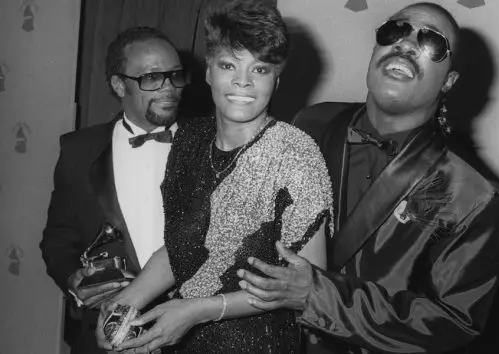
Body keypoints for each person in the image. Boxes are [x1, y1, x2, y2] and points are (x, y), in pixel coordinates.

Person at [237, 3, 499, 354]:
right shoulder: (310, 123)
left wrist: (318, 296)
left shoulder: (478, 197)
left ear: (449, 80)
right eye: (394, 31)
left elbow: (452, 322)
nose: (406, 44)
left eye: (432, 42)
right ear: (375, 50)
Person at [95, 1, 332, 353]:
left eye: (260, 69)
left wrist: (199, 311)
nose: (242, 81)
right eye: (228, 65)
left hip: (259, 343)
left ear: (276, 80)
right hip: (181, 339)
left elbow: (306, 285)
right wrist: (122, 304)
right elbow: (180, 251)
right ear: (208, 72)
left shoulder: (296, 153)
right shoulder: (189, 141)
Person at [40, 26, 190, 354]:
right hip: (106, 337)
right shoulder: (78, 150)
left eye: (174, 75)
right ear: (119, 85)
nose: (169, 89)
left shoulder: (209, 145)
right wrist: (73, 279)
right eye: (152, 77)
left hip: (195, 337)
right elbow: (57, 238)